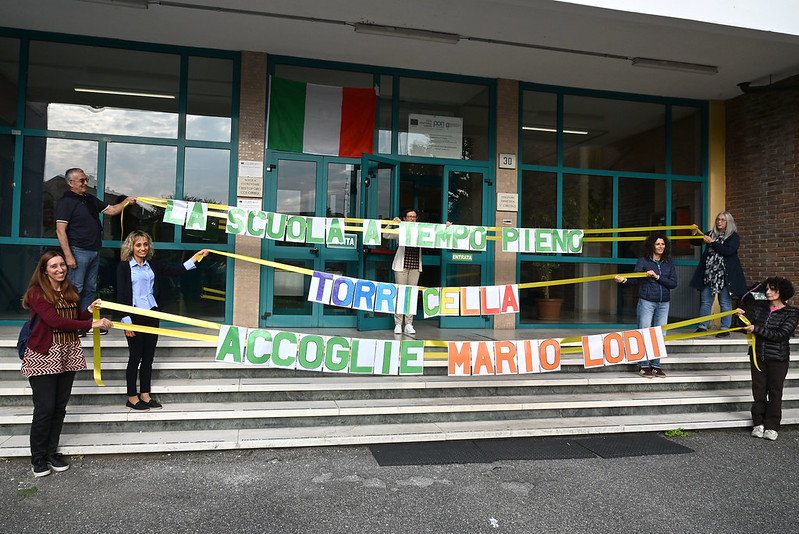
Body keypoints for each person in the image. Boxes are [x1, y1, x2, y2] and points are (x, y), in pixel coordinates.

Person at [21, 251, 113, 477]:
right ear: (44, 270)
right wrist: (93, 324)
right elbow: (55, 321)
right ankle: (38, 459)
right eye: (54, 266)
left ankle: (52, 453)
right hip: (44, 355)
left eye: (62, 265)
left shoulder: (71, 291)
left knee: (60, 408)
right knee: (45, 409)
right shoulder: (37, 292)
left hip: (68, 352)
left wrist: (89, 312)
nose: (60, 269)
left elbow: (74, 318)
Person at [116, 230, 209, 410]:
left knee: (148, 358)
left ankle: (145, 394)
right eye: (138, 245)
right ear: (131, 247)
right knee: (135, 357)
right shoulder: (124, 267)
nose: (143, 248)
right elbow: (120, 294)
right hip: (133, 315)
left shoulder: (153, 265)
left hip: (153, 313)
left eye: (145, 244)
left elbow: (178, 270)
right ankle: (132, 397)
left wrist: (196, 257)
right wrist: (125, 321)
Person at [55, 168, 136, 335]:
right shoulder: (66, 202)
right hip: (78, 251)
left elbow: (112, 210)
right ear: (70, 183)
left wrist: (126, 202)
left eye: (85, 179)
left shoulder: (89, 199)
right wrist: (68, 255)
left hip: (93, 251)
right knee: (76, 289)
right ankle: (71, 324)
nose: (86, 183)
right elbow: (60, 230)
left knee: (90, 288)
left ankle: (86, 324)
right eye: (81, 181)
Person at [738, 277, 799, 441]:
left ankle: (772, 426)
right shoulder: (760, 308)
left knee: (775, 391)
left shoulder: (791, 313)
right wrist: (742, 317)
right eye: (767, 289)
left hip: (778, 359)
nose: (768, 292)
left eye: (773, 289)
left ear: (782, 292)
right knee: (758, 390)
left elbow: (780, 335)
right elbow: (748, 327)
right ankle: (758, 423)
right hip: (758, 356)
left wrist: (756, 328)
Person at [614, 233, 677, 378]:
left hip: (664, 303)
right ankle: (643, 365)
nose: (661, 247)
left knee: (660, 335)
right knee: (643, 333)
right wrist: (624, 280)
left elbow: (673, 284)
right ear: (652, 246)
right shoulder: (643, 261)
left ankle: (656, 365)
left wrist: (657, 276)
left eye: (662, 244)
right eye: (657, 244)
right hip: (647, 302)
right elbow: (635, 280)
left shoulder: (669, 263)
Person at [690, 211, 747, 337]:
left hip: (725, 277)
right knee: (705, 302)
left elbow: (728, 251)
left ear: (728, 222)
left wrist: (712, 243)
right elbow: (696, 242)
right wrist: (694, 233)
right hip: (709, 275)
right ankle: (702, 327)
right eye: (717, 219)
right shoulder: (711, 234)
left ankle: (725, 329)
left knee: (725, 303)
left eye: (722, 220)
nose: (719, 222)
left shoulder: (733, 237)